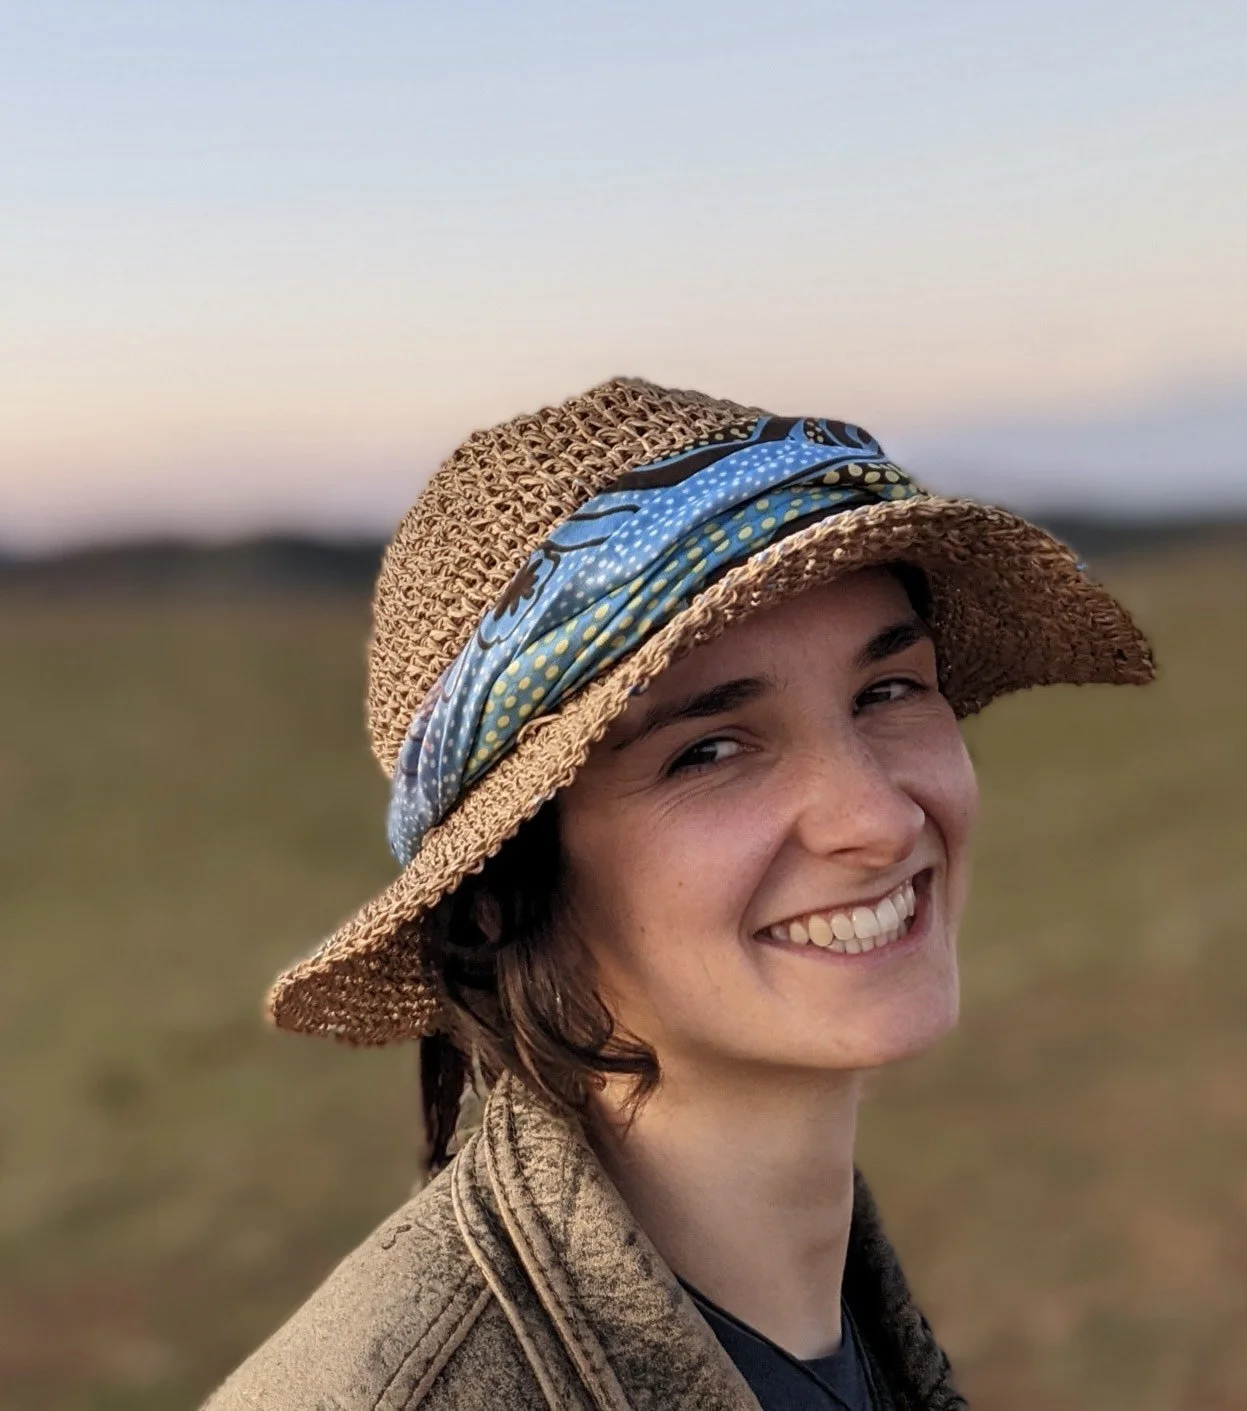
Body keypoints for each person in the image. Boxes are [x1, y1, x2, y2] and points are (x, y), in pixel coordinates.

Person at [201, 378, 1155, 1411]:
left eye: (887, 690)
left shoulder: (828, 1318)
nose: (877, 819)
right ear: (499, 896)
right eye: (709, 750)